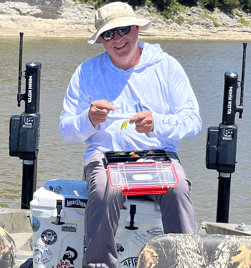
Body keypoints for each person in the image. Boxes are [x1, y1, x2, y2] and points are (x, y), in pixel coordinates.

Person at [60, 2, 202, 267]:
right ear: (101, 40)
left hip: (158, 156)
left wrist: (157, 123)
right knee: (105, 189)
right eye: (108, 34)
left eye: (122, 29)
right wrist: (88, 119)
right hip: (104, 156)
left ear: (137, 28)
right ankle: (99, 264)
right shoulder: (85, 72)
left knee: (178, 188)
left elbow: (193, 121)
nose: (117, 39)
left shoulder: (167, 66)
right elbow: (67, 132)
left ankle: (185, 261)